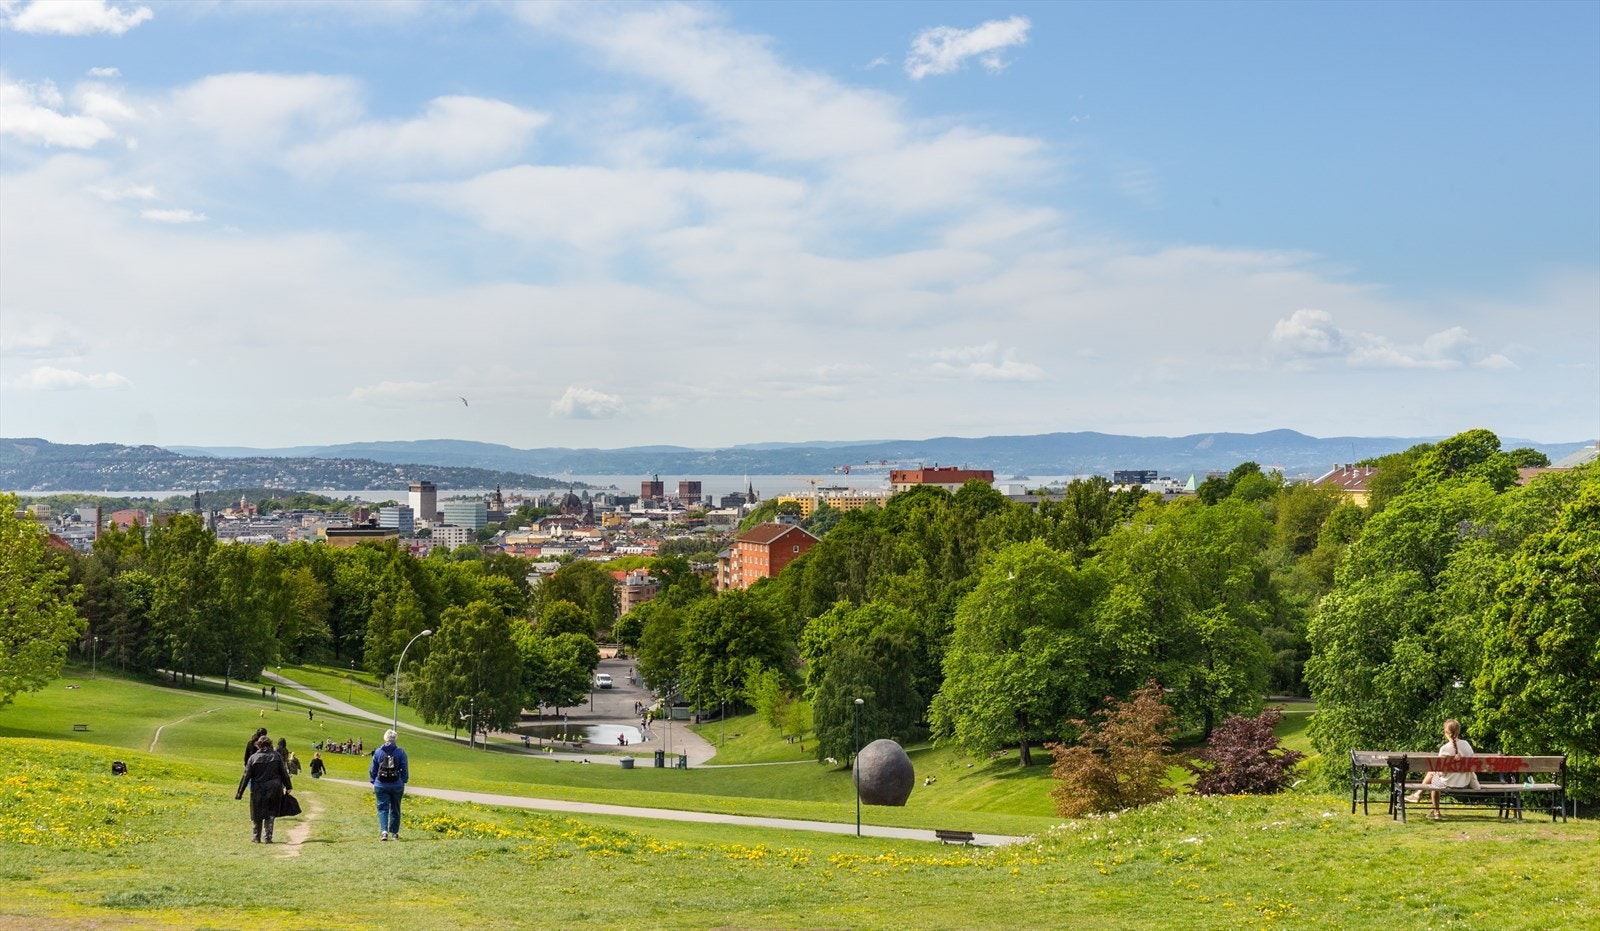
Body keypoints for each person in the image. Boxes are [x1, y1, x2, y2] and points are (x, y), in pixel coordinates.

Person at [1408, 719, 1478, 819]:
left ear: (1446, 733)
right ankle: (1429, 806)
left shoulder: (1445, 748)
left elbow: (1440, 770)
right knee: (1433, 774)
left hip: (1448, 782)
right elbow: (1472, 763)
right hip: (1464, 782)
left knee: (1433, 777)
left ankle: (1425, 800)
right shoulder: (1466, 745)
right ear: (1458, 731)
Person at [236, 734, 291, 843]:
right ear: (270, 744)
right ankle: (268, 837)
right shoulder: (276, 756)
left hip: (258, 788)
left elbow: (246, 776)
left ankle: (256, 836)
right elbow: (283, 772)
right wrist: (288, 786)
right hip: (274, 788)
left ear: (258, 745)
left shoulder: (253, 758)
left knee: (257, 811)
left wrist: (239, 792)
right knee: (271, 812)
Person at [369, 729, 409, 841]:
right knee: (395, 808)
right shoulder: (400, 752)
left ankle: (384, 832)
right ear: (395, 739)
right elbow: (404, 768)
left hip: (381, 784)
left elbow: (373, 769)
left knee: (382, 808)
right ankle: (395, 833)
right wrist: (403, 780)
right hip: (396, 784)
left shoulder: (378, 752)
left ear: (385, 739)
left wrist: (373, 780)